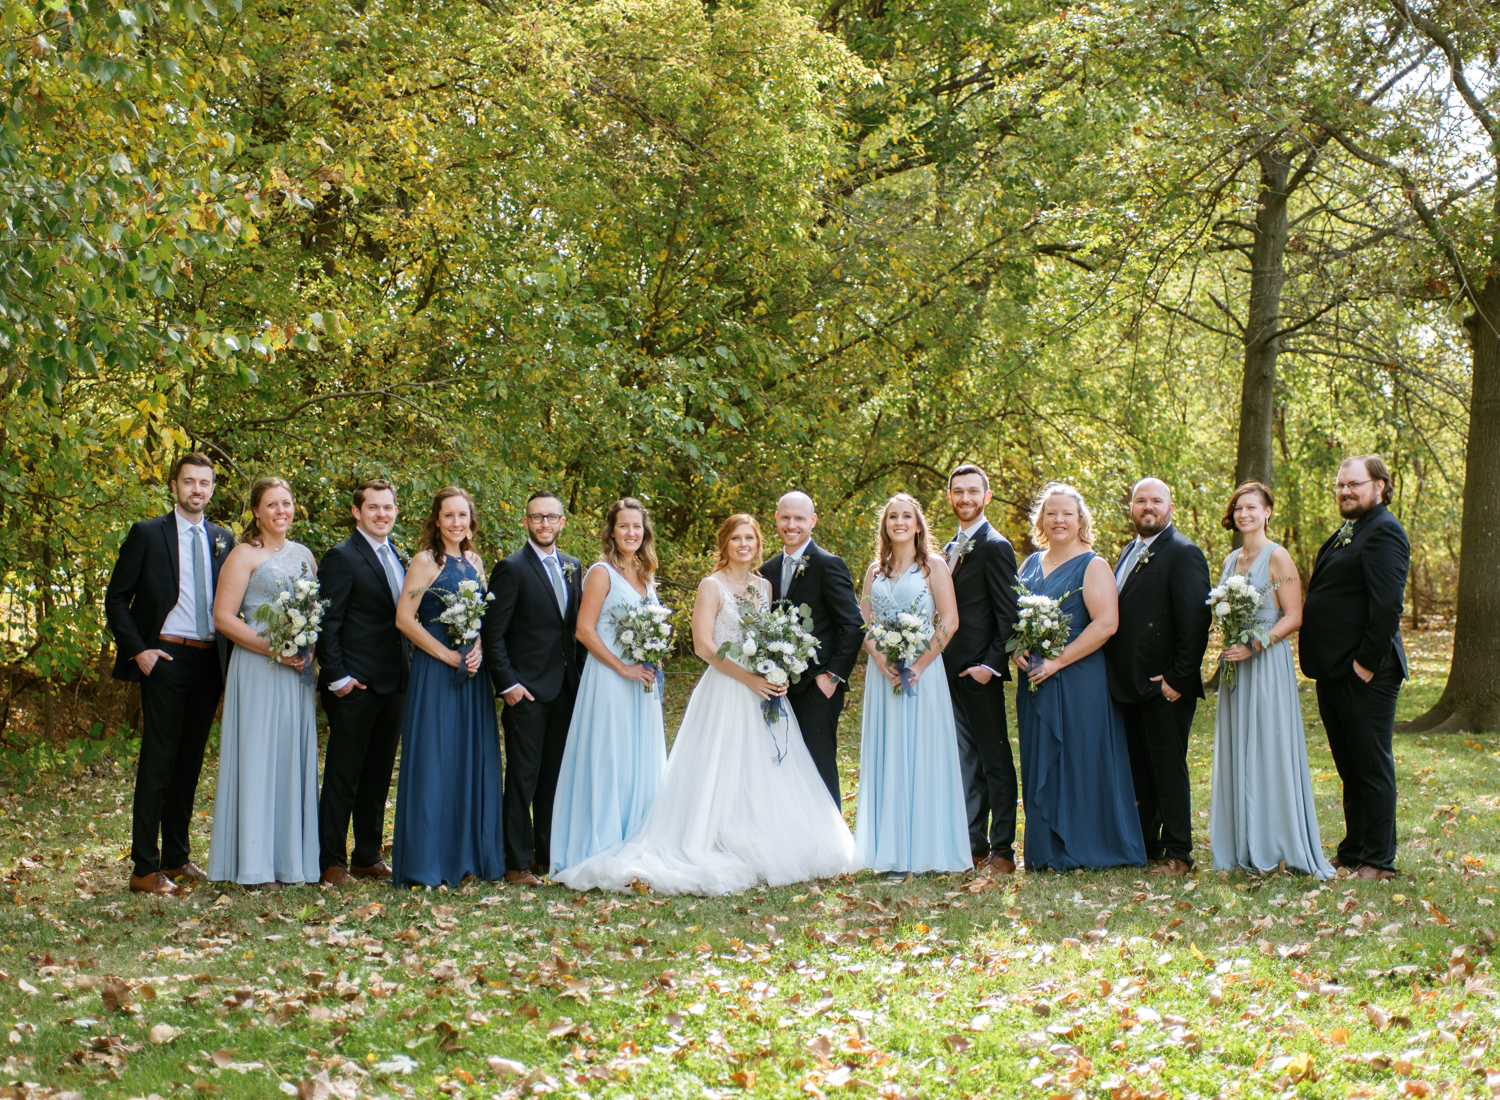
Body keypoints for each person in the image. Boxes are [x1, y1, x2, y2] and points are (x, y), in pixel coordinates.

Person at [555, 514, 859, 895]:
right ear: (725, 544)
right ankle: (709, 838)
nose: (743, 545)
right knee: (720, 764)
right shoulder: (710, 586)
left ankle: (761, 838)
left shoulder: (764, 587)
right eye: (736, 539)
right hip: (727, 689)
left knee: (762, 768)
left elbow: (769, 636)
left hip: (763, 690)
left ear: (758, 543)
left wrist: (778, 669)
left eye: (750, 538)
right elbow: (703, 646)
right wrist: (749, 678)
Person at [104, 453, 236, 895]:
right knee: (159, 763)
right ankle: (144, 867)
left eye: (205, 483)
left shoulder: (224, 538)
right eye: (189, 482)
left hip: (209, 661)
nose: (197, 489)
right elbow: (117, 598)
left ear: (213, 489)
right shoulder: (147, 534)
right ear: (174, 486)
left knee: (189, 763)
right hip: (164, 658)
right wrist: (139, 651)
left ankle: (176, 858)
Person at [1014, 484, 1145, 872]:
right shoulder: (1030, 564)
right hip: (1035, 678)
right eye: (1051, 513)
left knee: (1081, 758)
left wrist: (1057, 662)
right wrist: (1018, 648)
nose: (1058, 520)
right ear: (1041, 520)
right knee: (1040, 760)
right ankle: (1046, 851)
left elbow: (1106, 624)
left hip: (1078, 678)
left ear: (1080, 520)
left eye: (1067, 514)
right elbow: (1017, 618)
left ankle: (1088, 847)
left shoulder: (1093, 564)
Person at [1209, 482, 1333, 878]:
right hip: (1236, 666)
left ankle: (1279, 843)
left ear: (1267, 512)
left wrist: (1255, 645)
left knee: (1268, 746)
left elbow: (1294, 616)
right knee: (1237, 749)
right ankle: (1242, 843)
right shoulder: (1231, 561)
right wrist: (1231, 642)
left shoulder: (1278, 557)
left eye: (1252, 507)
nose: (1244, 514)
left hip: (1266, 662)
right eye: (1239, 508)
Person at [206, 477, 321, 889]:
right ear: (256, 511)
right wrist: (275, 649)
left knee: (291, 757)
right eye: (271, 505)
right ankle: (253, 865)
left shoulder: (306, 556)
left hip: (296, 673)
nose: (281, 512)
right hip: (258, 667)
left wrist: (306, 647)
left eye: (287, 504)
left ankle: (290, 862)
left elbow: (312, 614)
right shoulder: (243, 554)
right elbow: (223, 617)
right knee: (257, 757)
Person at [1300, 455, 1410, 881]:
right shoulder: (1350, 530)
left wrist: (1364, 664)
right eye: (1340, 484)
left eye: (1354, 484)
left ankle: (1379, 860)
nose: (1345, 491)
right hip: (1334, 671)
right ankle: (1354, 849)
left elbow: (1387, 606)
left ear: (1379, 486)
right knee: (1350, 766)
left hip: (1367, 672)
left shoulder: (1384, 531)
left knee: (1371, 765)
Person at [391, 487, 504, 887]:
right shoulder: (425, 561)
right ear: (436, 520)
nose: (457, 523)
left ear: (471, 520)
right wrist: (446, 655)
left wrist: (475, 649)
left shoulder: (475, 560)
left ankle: (467, 856)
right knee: (435, 759)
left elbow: (480, 617)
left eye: (463, 516)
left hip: (471, 674)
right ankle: (428, 861)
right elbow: (405, 619)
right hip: (436, 671)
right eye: (449, 516)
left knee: (469, 760)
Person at [549, 498, 668, 875]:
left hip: (643, 682)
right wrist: (623, 668)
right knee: (611, 758)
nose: (631, 533)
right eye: (624, 526)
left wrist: (652, 656)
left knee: (639, 757)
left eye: (637, 526)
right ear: (612, 531)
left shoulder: (647, 574)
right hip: (610, 680)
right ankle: (601, 843)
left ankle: (637, 838)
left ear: (644, 531)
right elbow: (583, 631)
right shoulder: (601, 572)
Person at [854, 494, 970, 875]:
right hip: (883, 673)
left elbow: (949, 622)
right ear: (885, 525)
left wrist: (918, 665)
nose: (899, 522)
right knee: (888, 750)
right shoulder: (875, 571)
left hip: (924, 672)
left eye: (907, 516)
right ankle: (887, 851)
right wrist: (881, 658)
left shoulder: (934, 566)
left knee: (923, 751)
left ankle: (925, 850)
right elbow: (865, 623)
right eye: (892, 517)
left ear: (918, 525)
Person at [1104, 478, 1211, 876]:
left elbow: (1196, 619)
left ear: (1170, 506)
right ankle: (1148, 846)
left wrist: (1177, 679)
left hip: (1164, 685)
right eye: (1140, 500)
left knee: (1167, 769)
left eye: (1156, 501)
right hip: (1128, 684)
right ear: (1131, 507)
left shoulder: (1183, 552)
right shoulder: (1127, 552)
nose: (1148, 507)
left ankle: (1179, 853)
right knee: (1140, 771)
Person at [481, 490, 586, 886]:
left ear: (562, 522)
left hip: (564, 691)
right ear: (526, 522)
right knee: (523, 778)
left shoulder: (574, 567)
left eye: (551, 517)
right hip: (525, 691)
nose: (544, 524)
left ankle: (546, 854)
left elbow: (573, 632)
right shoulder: (511, 568)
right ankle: (516, 862)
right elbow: (494, 635)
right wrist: (508, 684)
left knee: (554, 777)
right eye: (537, 517)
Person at [315, 478, 411, 887]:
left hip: (394, 683)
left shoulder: (400, 557)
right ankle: (330, 860)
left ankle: (367, 855)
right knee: (344, 774)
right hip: (354, 685)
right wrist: (337, 677)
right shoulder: (341, 557)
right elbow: (327, 623)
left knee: (376, 775)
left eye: (388, 507)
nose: (382, 514)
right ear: (357, 512)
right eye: (373, 507)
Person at [941, 465, 1021, 876]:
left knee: (994, 761)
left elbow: (1008, 616)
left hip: (978, 673)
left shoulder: (995, 546)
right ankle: (973, 845)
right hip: (944, 675)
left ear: (987, 496)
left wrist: (989, 666)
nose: (965, 498)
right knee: (963, 762)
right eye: (958, 491)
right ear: (950, 496)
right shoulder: (945, 549)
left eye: (974, 491)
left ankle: (1003, 850)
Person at [761, 491, 864, 805]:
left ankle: (832, 849)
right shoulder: (766, 570)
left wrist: (831, 678)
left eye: (800, 518)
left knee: (819, 768)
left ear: (813, 521)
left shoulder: (829, 564)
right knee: (781, 765)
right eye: (786, 517)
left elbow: (853, 625)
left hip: (817, 688)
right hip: (776, 688)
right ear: (776, 518)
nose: (792, 525)